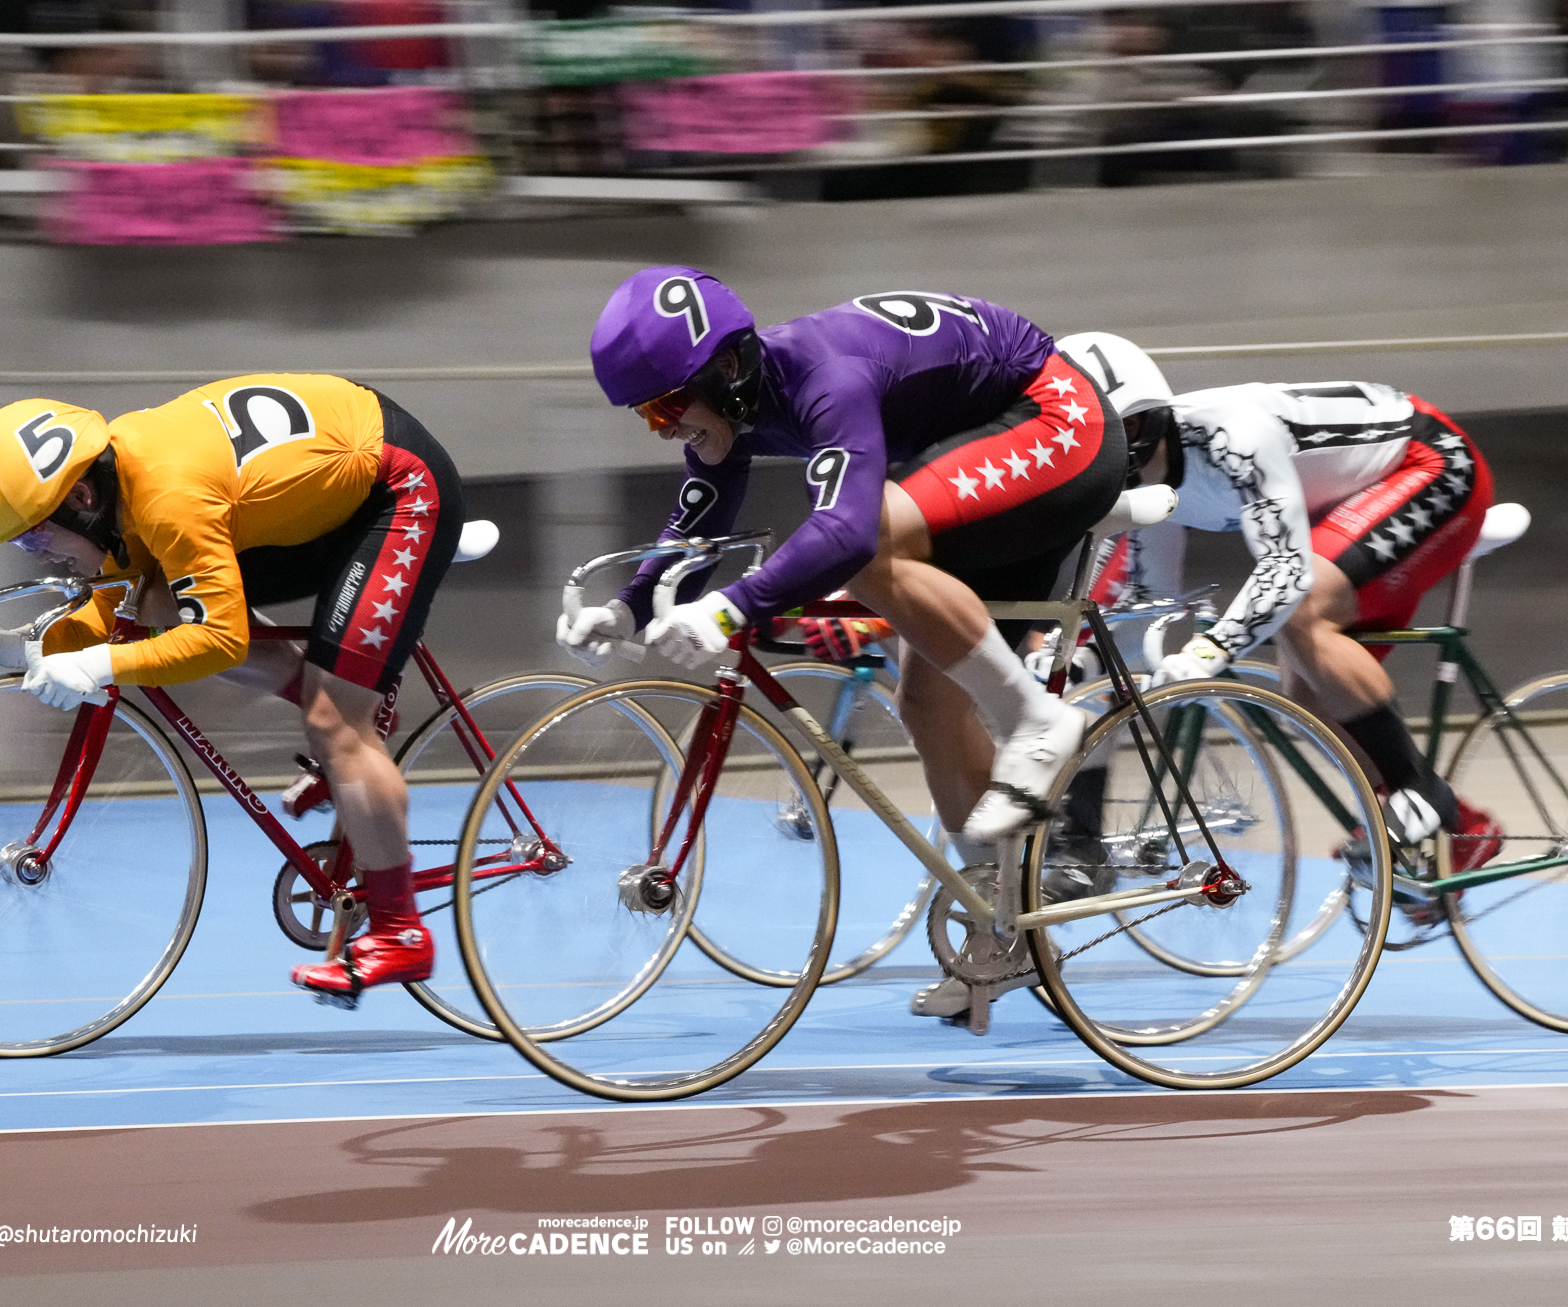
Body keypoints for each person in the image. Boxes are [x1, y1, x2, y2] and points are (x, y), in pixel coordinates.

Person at [560, 267, 1126, 1018]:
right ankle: (1008, 931)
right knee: (925, 704)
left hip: (1059, 426)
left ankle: (1037, 718)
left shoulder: (829, 377)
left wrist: (728, 611)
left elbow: (846, 532)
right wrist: (630, 609)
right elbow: (702, 519)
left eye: (668, 404)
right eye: (647, 417)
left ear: (726, 367)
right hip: (976, 455)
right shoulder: (741, 400)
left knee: (866, 546)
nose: (665, 428)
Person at [0, 374, 465, 1009]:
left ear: (80, 495)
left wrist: (100, 666)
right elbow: (121, 601)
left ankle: (399, 929)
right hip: (333, 489)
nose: (39, 557)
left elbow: (220, 642)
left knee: (334, 722)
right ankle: (353, 733)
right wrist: (26, 645)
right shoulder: (122, 483)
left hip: (398, 491)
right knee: (157, 597)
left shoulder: (166, 494)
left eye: (34, 537)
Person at [1062, 331, 1504, 876]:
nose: (1110, 446)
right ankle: (1461, 830)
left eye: (1124, 428)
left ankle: (1421, 793)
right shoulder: (1133, 486)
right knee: (1309, 696)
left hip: (1432, 461)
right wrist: (1079, 661)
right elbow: (1145, 605)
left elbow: (1285, 571)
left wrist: (1206, 653)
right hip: (1355, 495)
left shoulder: (1231, 438)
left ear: (1151, 417)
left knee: (1302, 609)